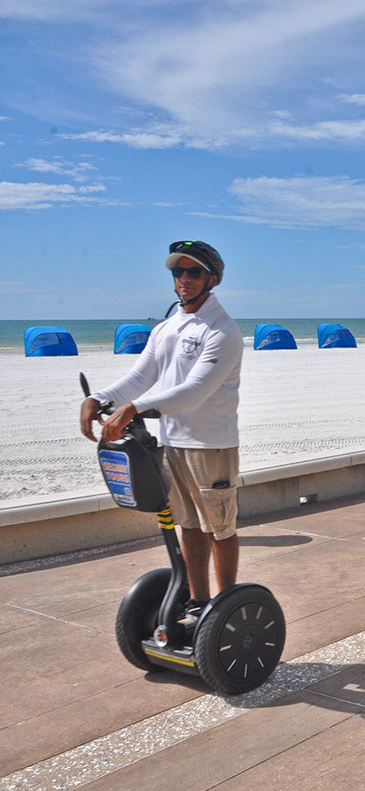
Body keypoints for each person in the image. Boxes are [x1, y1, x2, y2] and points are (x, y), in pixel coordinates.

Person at [80, 240, 243, 629]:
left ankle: (227, 610)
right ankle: (198, 603)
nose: (184, 279)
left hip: (210, 445)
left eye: (194, 272)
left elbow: (194, 391)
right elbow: (140, 377)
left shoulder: (222, 331)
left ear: (213, 279)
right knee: (189, 526)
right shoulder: (167, 328)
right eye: (178, 272)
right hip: (172, 441)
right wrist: (98, 398)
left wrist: (134, 408)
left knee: (220, 529)